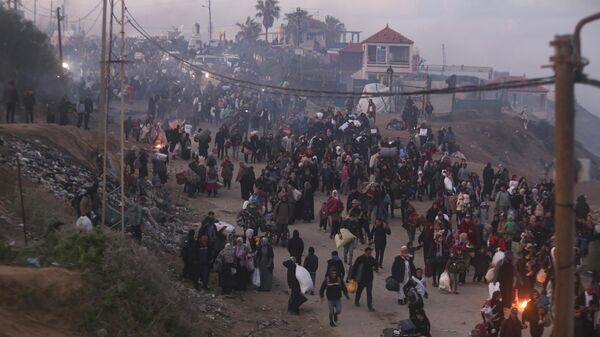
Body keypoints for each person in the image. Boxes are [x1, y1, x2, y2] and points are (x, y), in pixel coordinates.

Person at [351, 247, 377, 311]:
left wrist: (375, 267)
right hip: (361, 279)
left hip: (369, 279)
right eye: (368, 253)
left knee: (369, 293)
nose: (369, 254)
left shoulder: (371, 259)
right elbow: (354, 268)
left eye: (370, 253)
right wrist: (353, 278)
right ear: (365, 252)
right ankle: (356, 301)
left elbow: (376, 265)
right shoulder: (360, 259)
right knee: (359, 291)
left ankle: (369, 306)